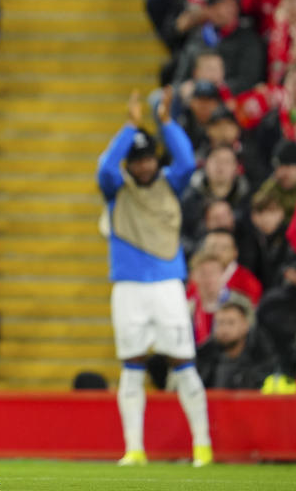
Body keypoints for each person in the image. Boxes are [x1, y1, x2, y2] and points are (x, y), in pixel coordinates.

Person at [97, 90, 213, 467]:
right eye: (137, 161)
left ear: (154, 159)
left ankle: (202, 447)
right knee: (132, 365)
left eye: (147, 159)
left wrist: (165, 121)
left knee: (184, 362)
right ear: (129, 165)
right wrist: (130, 127)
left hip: (167, 285)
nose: (144, 166)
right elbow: (104, 168)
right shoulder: (117, 189)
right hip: (128, 287)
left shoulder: (172, 182)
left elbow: (187, 160)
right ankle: (134, 448)